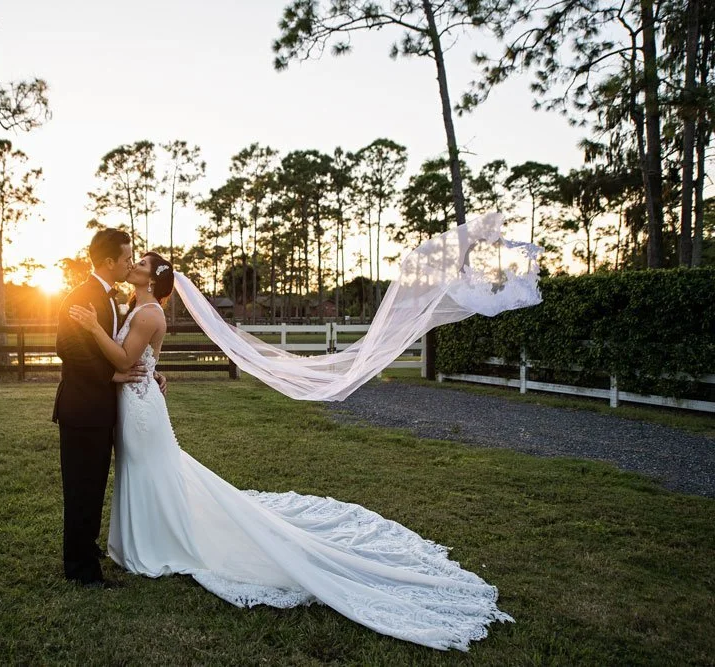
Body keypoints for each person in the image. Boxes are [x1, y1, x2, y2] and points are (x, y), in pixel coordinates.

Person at [68, 251, 514, 651]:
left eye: (141, 264)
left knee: (151, 470)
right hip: (135, 401)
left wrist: (96, 332)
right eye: (134, 261)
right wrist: (150, 370)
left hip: (141, 408)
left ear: (153, 278)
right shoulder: (135, 305)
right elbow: (139, 360)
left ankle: (157, 542)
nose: (134, 266)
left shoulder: (147, 313)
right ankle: (141, 539)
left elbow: (127, 360)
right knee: (144, 471)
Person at [52, 229, 166, 587]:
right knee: (81, 486)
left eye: (135, 259)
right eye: (127, 258)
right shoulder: (81, 295)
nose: (130, 263)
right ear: (108, 262)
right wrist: (111, 376)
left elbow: (126, 347)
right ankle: (81, 569)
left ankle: (87, 546)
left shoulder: (116, 300)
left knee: (94, 484)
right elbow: (66, 348)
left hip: (101, 410)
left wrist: (151, 371)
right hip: (83, 408)